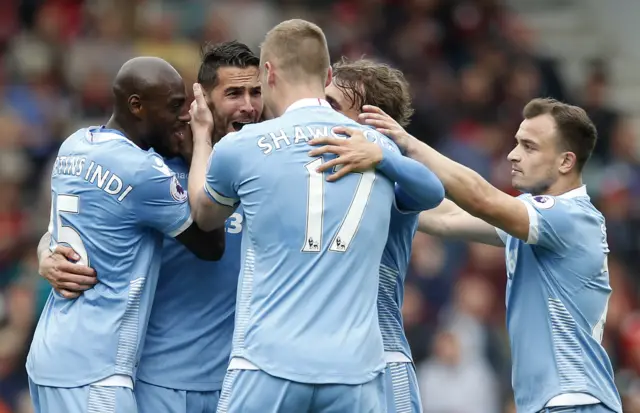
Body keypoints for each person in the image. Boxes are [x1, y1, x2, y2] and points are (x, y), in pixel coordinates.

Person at [187, 19, 444, 413]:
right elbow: (432, 191)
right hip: (355, 371)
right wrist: (386, 157)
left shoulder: (242, 146)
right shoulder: (370, 145)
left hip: (266, 364)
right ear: (327, 75)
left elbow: (204, 216)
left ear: (268, 73)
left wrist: (203, 137)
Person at [311, 99, 623, 413]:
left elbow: (481, 197)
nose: (513, 155)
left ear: (566, 162)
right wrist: (369, 186)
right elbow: (447, 217)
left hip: (576, 401)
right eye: (516, 143)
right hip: (555, 403)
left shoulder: (570, 217)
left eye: (529, 147)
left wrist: (402, 146)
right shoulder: (536, 220)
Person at [36, 42, 262, 413]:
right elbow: (76, 221)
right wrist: (47, 253)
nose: (248, 106)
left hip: (242, 378)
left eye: (256, 93)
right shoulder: (156, 164)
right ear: (200, 101)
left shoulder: (270, 165)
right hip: (158, 380)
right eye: (234, 93)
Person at [325, 58, 424, 413]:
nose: (320, 111)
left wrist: (384, 153)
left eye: (333, 105)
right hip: (321, 363)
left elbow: (431, 188)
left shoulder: (395, 180)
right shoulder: (312, 173)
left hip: (383, 359)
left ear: (369, 121)